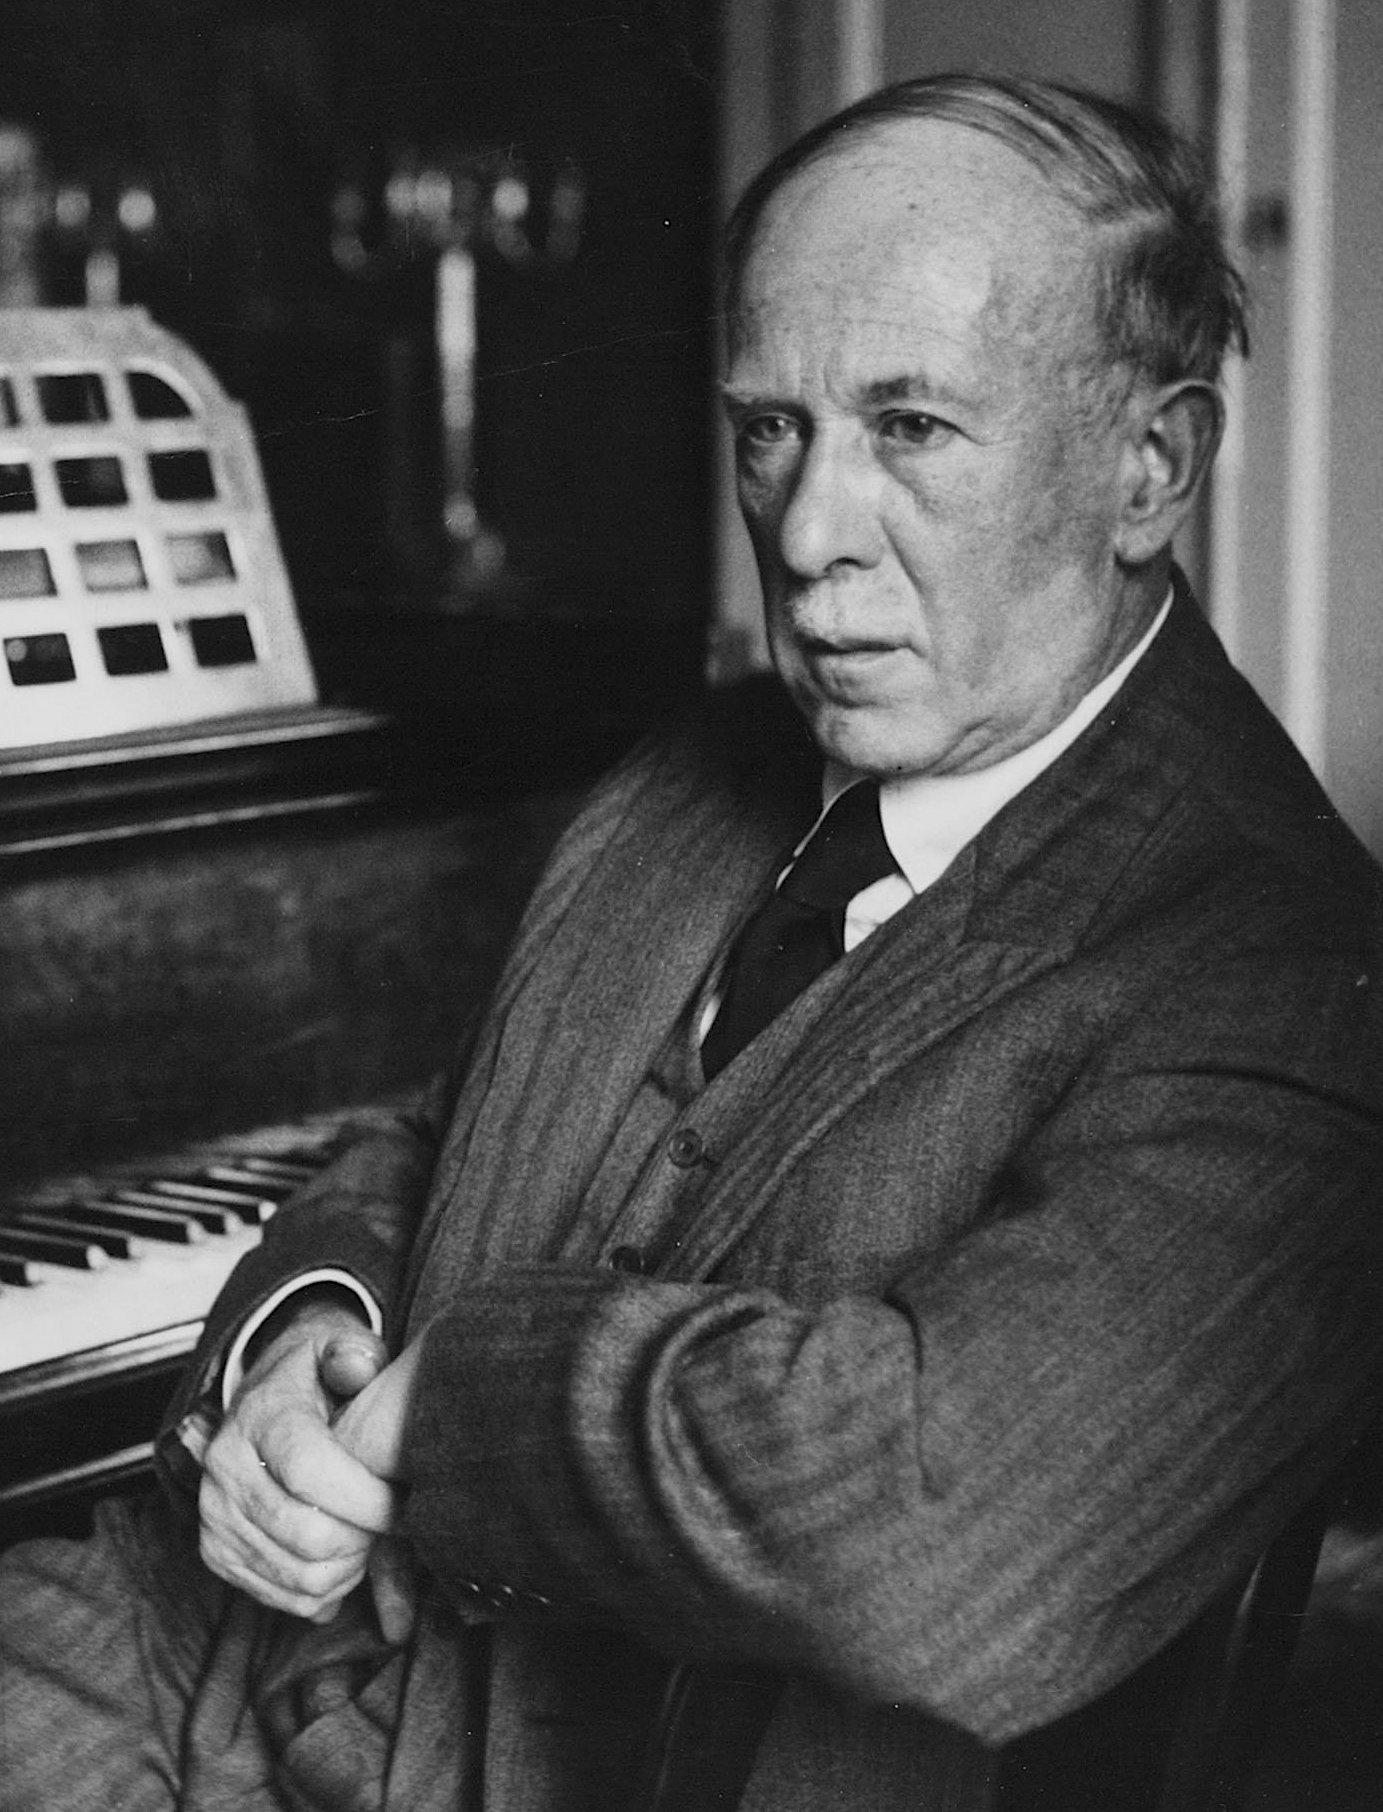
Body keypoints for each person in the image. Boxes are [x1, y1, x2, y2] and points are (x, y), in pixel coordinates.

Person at [3, 72, 1382, 1812]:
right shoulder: (700, 768)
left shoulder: (1287, 969)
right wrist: (304, 1337)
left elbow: (931, 1539)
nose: (805, 535)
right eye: (770, 429)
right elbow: (444, 1137)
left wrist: (458, 1403)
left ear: (1150, 469)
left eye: (911, 429)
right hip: (222, 1661)